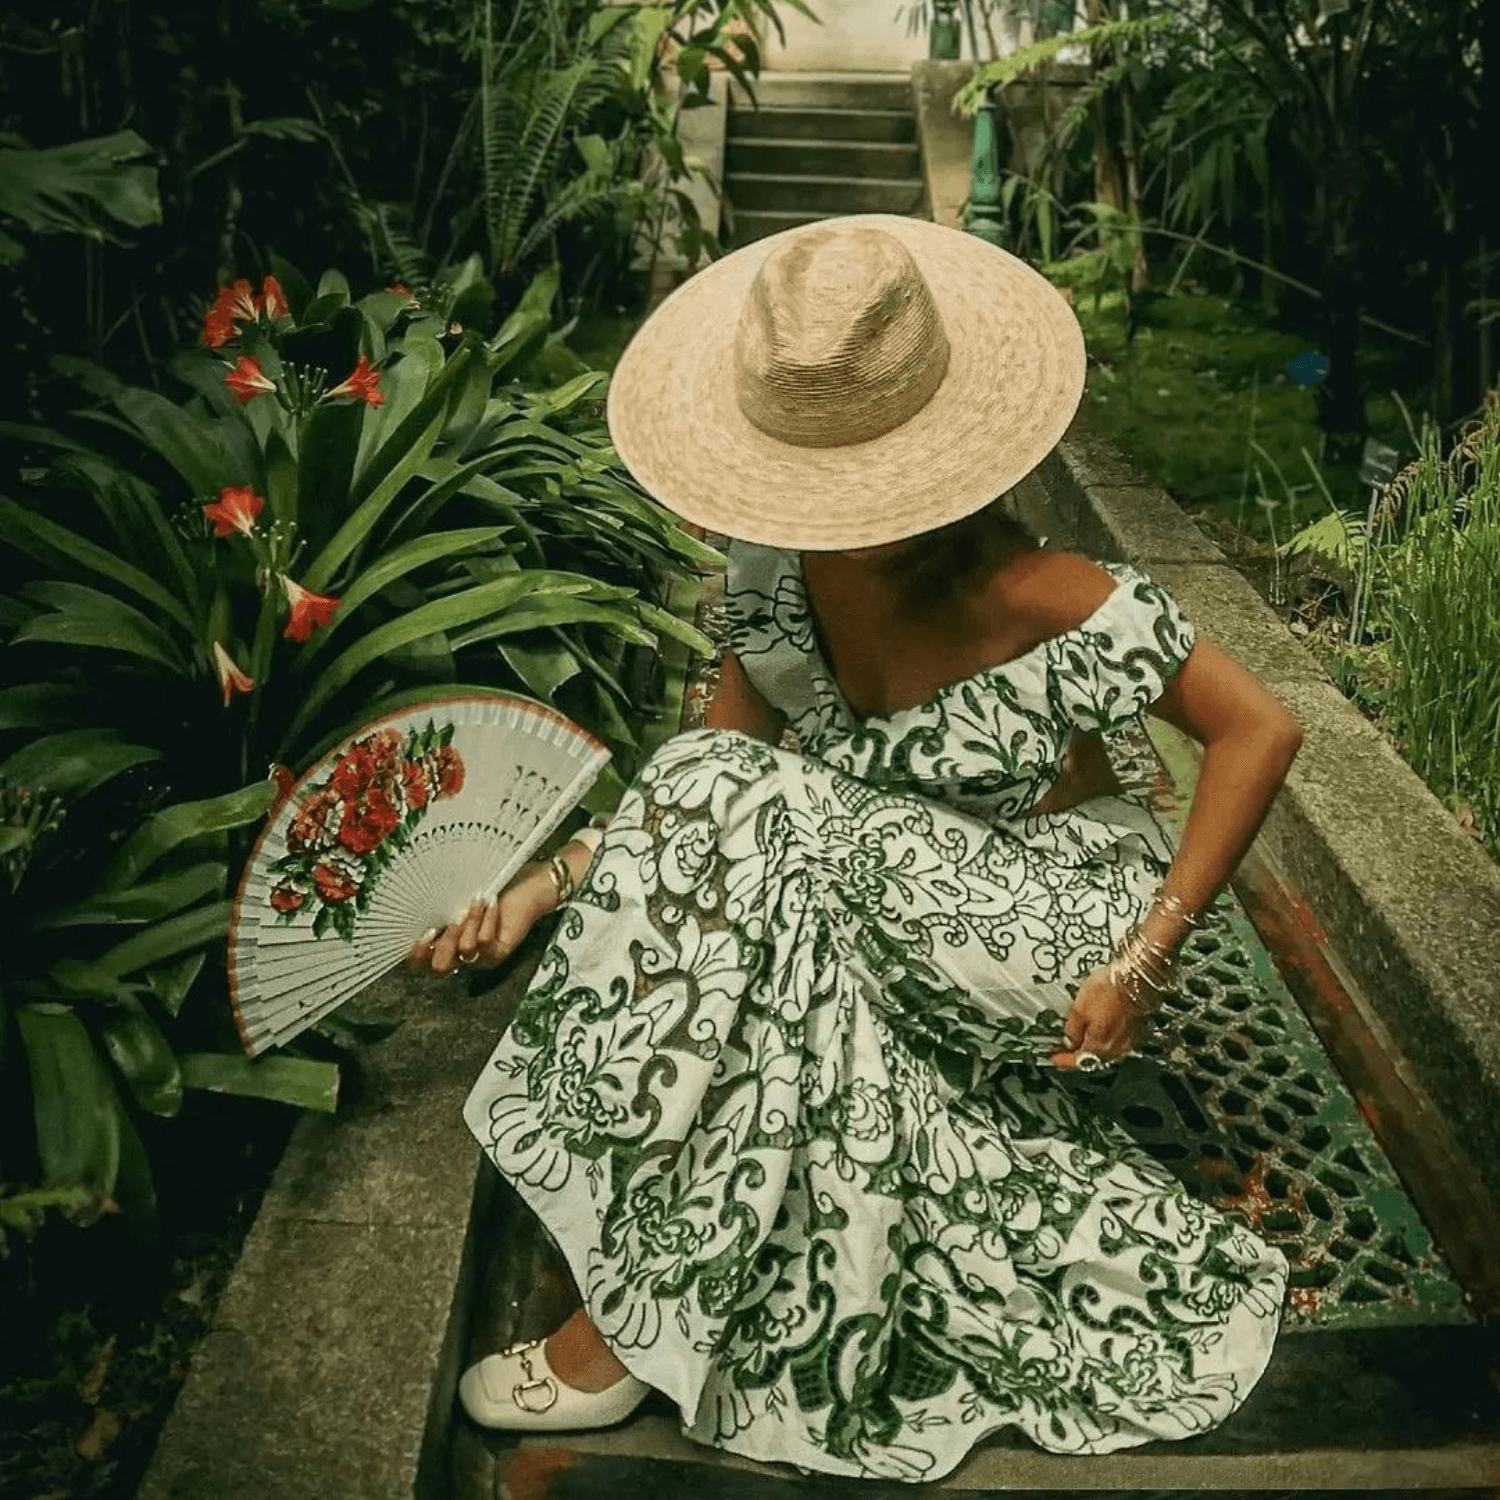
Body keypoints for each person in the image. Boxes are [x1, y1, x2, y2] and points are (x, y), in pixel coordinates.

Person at [409, 214, 1300, 1483]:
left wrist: (1147, 961)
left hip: (1057, 925)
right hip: (863, 903)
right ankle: (653, 1280)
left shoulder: (1034, 590)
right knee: (737, 804)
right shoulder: (774, 574)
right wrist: (540, 890)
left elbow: (1261, 730)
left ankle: (622, 1326)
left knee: (753, 805)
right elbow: (699, 809)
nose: (818, 512)